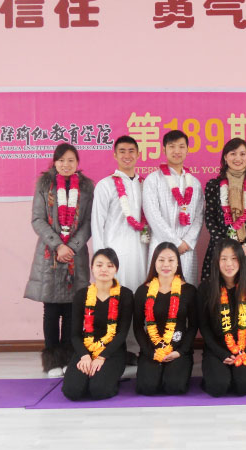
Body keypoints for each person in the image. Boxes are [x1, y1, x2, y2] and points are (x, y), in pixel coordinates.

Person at [24, 143, 94, 377]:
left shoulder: (86, 187)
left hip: (75, 256)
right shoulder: (44, 185)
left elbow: (89, 222)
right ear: (54, 162)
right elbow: (37, 219)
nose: (66, 164)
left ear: (77, 163)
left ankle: (69, 358)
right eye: (61, 160)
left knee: (73, 309)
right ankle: (52, 360)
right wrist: (58, 245)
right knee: (52, 310)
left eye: (71, 160)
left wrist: (71, 247)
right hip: (50, 255)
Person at [91, 135, 148, 363]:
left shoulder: (145, 184)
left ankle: (136, 348)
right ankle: (115, 349)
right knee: (116, 302)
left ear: (138, 154)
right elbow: (97, 223)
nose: (127, 155)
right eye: (122, 151)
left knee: (139, 300)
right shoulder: (105, 185)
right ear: (114, 155)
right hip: (115, 255)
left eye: (131, 151)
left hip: (142, 253)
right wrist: (101, 263)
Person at [62, 248, 133, 400]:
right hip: (86, 348)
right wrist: (84, 356)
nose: (104, 269)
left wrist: (102, 357)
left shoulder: (125, 295)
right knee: (72, 391)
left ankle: (108, 378)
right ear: (92, 268)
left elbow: (122, 333)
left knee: (99, 390)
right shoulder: (82, 295)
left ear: (116, 269)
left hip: (112, 351)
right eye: (99, 265)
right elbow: (75, 334)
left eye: (109, 265)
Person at [202, 138, 246, 284]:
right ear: (225, 157)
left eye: (242, 154)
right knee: (218, 292)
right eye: (233, 154)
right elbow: (210, 218)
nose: (238, 158)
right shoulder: (214, 185)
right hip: (220, 250)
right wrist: (224, 247)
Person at [133, 242, 198, 395]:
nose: (166, 264)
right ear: (154, 262)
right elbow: (137, 327)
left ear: (178, 263)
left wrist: (180, 351)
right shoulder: (143, 291)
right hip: (152, 349)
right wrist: (150, 352)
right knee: (147, 388)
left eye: (171, 260)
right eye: (161, 260)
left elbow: (193, 325)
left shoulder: (189, 291)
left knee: (174, 387)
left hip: (178, 349)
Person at [197, 239, 246, 397]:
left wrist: (244, 348)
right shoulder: (206, 287)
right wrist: (221, 353)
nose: (229, 264)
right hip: (216, 348)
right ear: (216, 261)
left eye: (234, 258)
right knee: (218, 387)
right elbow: (204, 327)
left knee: (245, 386)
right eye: (223, 259)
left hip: (243, 347)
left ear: (241, 260)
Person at [143, 130, 204, 285]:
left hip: (186, 249)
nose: (177, 151)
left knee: (186, 290)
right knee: (158, 291)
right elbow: (153, 215)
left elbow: (199, 216)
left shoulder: (195, 183)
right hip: (161, 246)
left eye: (181, 146)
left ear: (187, 150)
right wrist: (175, 243)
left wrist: (187, 242)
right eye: (172, 146)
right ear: (164, 150)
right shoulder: (153, 180)